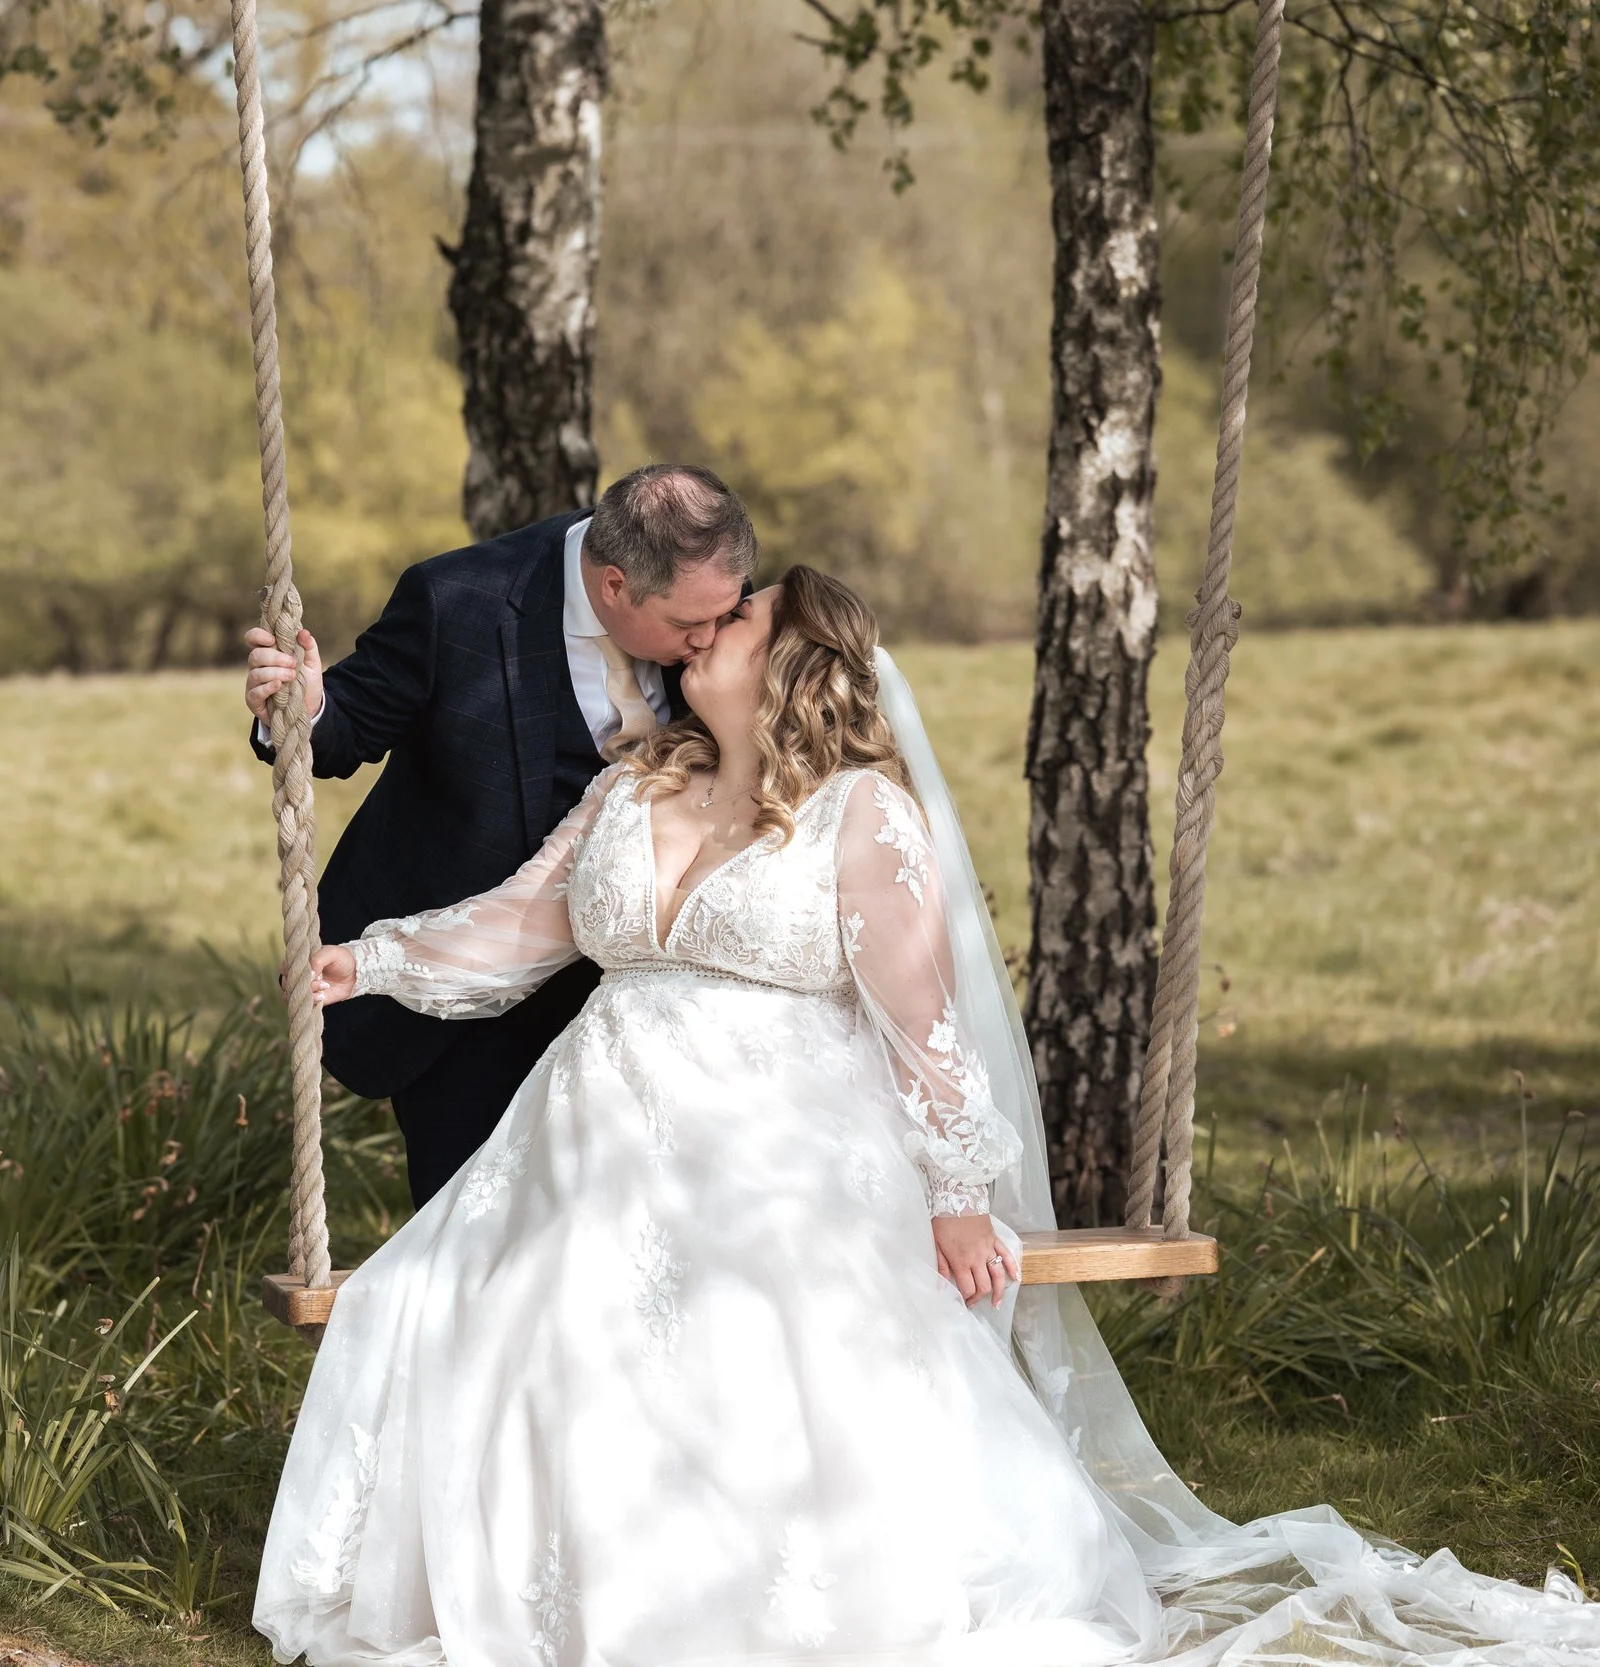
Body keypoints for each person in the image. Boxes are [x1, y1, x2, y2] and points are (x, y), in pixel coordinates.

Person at [253, 568, 1600, 1666]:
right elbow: (524, 927)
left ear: (792, 667)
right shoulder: (631, 786)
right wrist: (365, 961)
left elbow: (926, 1027)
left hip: (772, 1141)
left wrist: (960, 1192)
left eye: (733, 623)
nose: (698, 635)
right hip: (589, 1130)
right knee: (513, 1310)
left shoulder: (860, 817)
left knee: (752, 1332)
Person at [245, 465, 753, 1208]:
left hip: (634, 993)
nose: (711, 639)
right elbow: (345, 728)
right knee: (474, 1230)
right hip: (460, 987)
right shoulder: (459, 599)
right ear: (615, 586)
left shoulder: (704, 587)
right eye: (687, 627)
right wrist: (307, 705)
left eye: (726, 614)